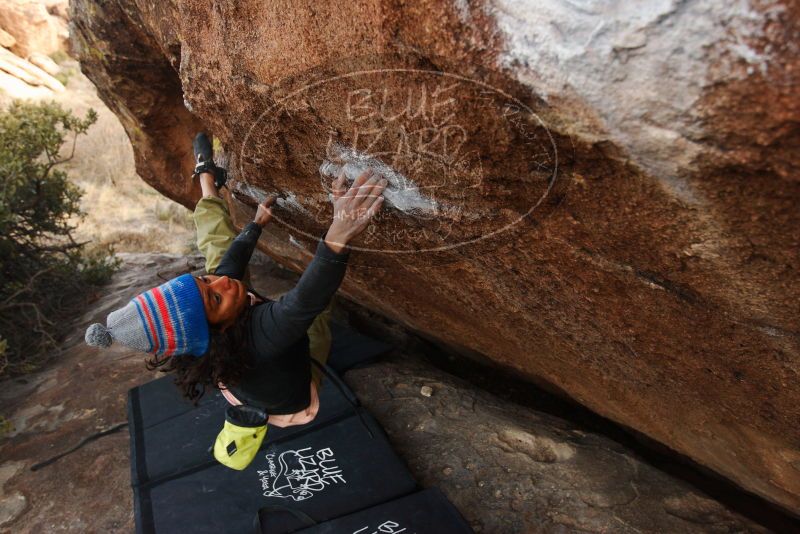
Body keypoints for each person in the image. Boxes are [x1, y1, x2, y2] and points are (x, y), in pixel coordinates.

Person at [84, 132, 387, 430]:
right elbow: (305, 303)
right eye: (213, 298)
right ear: (219, 331)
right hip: (293, 397)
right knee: (318, 317)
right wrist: (339, 232)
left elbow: (225, 270)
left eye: (203, 282)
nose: (221, 284)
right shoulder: (258, 338)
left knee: (218, 254)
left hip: (233, 356)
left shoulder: (212, 315)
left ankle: (206, 178)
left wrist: (255, 225)